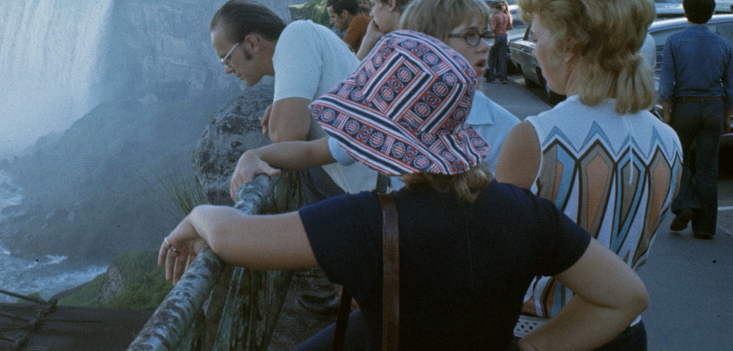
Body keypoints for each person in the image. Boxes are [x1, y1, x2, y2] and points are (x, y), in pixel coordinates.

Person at [161, 30, 651, 351]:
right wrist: (529, 348)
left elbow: (230, 237)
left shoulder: (367, 220)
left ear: (383, 142)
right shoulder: (523, 209)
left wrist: (196, 216)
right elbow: (626, 297)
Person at [495, 0, 681, 350]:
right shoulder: (667, 139)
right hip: (627, 333)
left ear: (570, 45)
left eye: (537, 33)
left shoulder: (536, 138)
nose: (535, 47)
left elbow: (497, 264)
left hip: (540, 337)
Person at [228, 0, 521, 199]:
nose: (485, 46)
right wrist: (254, 156)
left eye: (485, 35)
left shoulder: (510, 133)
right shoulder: (387, 115)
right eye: (471, 35)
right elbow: (312, 152)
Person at [210, 0, 376, 201]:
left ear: (252, 43)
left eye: (227, 58)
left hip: (382, 193)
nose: (227, 69)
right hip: (373, 187)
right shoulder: (301, 42)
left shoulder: (295, 36)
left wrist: (256, 152)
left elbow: (285, 136)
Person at [658, 0, 733, 241]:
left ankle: (685, 203)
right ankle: (705, 228)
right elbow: (732, 87)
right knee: (708, 167)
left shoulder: (674, 41)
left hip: (685, 106)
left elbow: (666, 82)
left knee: (680, 160)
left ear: (685, 12)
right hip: (714, 107)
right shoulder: (723, 45)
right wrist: (727, 116)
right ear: (711, 13)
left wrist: (667, 111)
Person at [355, 0, 426, 59]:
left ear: (391, 4)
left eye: (373, 4)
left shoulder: (397, 51)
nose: (371, 14)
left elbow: (356, 73)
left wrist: (368, 41)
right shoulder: (423, 41)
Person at [485, 0, 513, 84]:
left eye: (492, 8)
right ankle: (503, 77)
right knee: (502, 57)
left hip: (496, 36)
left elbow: (492, 28)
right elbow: (510, 27)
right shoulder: (505, 15)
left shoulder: (494, 16)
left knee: (492, 56)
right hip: (504, 36)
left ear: (496, 8)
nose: (491, 10)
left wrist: (489, 26)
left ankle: (491, 76)